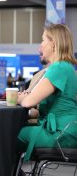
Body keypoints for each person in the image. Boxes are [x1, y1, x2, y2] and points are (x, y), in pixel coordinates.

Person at [17, 24, 77, 162]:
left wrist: (20, 98)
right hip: (67, 131)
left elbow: (27, 102)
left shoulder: (59, 68)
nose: (40, 47)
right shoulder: (66, 67)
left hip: (61, 135)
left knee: (7, 134)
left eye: (43, 41)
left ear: (54, 44)